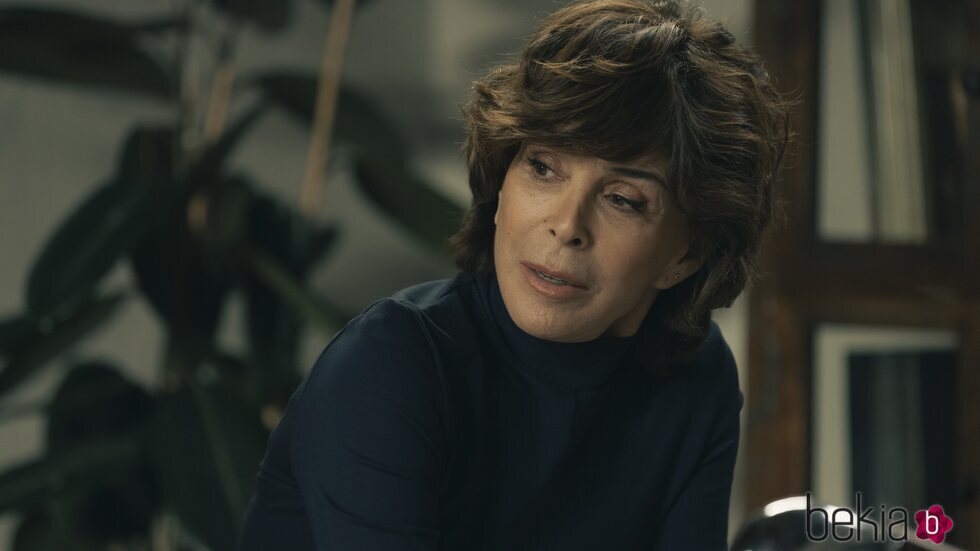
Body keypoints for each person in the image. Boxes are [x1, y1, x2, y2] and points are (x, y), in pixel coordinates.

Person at [238, 0, 789, 549]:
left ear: (687, 256)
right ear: (501, 185)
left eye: (623, 199)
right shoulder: (390, 362)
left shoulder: (694, 378)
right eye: (543, 168)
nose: (566, 226)